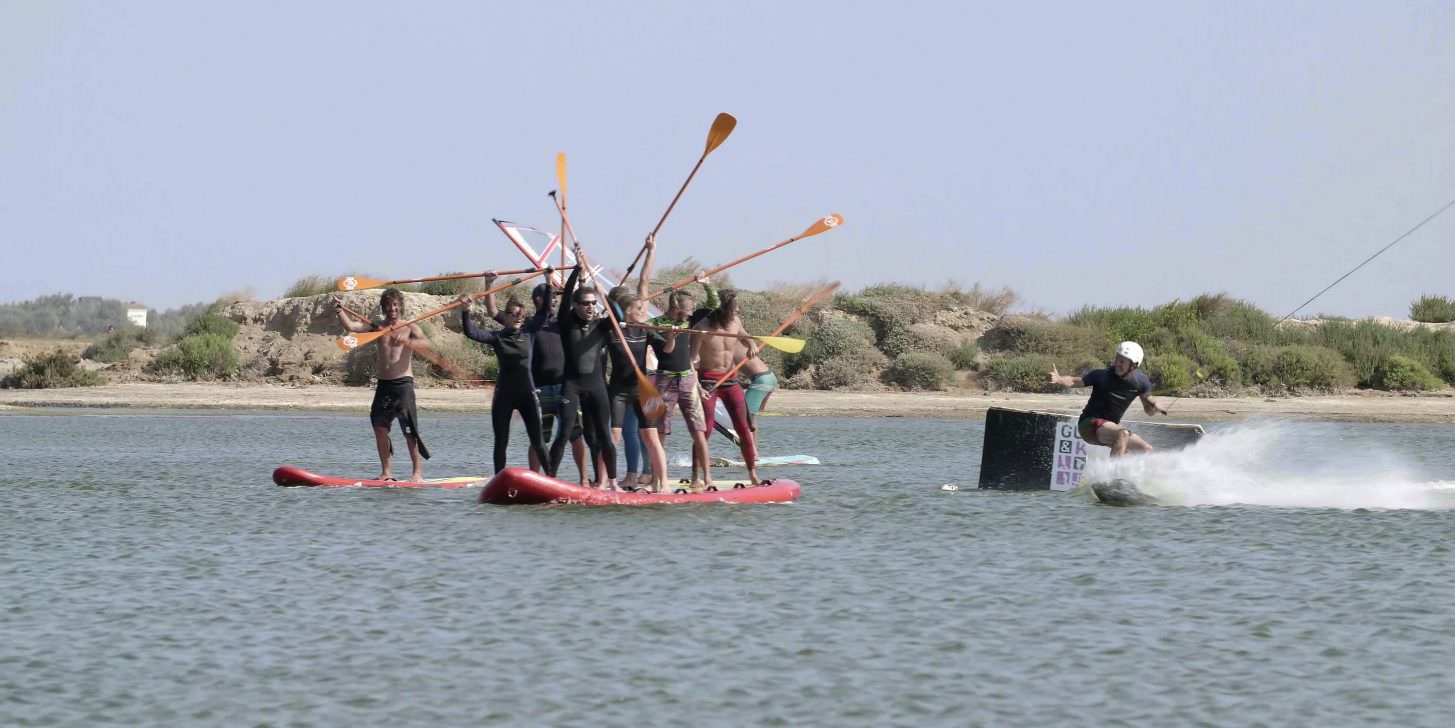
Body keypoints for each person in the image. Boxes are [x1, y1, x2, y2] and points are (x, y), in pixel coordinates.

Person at [333, 288, 430, 482]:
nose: (392, 309)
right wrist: (339, 310)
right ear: (384, 308)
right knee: (379, 427)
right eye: (388, 306)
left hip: (403, 384)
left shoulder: (410, 327)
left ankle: (417, 474)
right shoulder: (377, 327)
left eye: (395, 305)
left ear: (400, 306)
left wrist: (409, 342)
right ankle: (387, 473)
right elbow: (352, 326)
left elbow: (427, 345)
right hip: (384, 385)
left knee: (409, 432)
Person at [641, 251, 720, 488]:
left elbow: (714, 305)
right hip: (664, 381)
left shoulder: (691, 321)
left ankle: (707, 479)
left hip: (687, 380)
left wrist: (706, 285)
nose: (692, 309)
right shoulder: (655, 325)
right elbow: (663, 352)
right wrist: (671, 337)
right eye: (689, 307)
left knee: (698, 428)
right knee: (661, 430)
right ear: (677, 309)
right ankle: (657, 479)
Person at [459, 273, 550, 474]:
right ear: (506, 316)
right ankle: (499, 479)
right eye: (514, 314)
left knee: (538, 441)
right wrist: (465, 311)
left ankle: (552, 478)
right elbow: (472, 333)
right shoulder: (497, 337)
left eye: (521, 315)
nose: (519, 318)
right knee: (501, 441)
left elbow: (543, 314)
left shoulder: (529, 332)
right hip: (504, 395)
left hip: (527, 394)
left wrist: (548, 280)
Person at [550, 255, 619, 488]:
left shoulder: (601, 326)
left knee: (601, 437)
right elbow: (566, 297)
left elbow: (618, 315)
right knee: (564, 433)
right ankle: (550, 480)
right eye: (586, 303)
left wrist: (603, 293)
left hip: (597, 387)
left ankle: (611, 482)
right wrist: (575, 271)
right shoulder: (567, 322)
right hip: (572, 385)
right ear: (576, 307)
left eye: (593, 303)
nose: (591, 307)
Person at [1048, 341, 1168, 457]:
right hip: (1088, 424)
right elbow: (1075, 381)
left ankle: (1130, 475)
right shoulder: (1102, 375)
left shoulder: (1141, 382)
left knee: (1146, 449)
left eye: (1122, 361)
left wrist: (1155, 406)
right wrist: (1059, 379)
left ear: (1133, 365)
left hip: (1110, 429)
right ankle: (1111, 476)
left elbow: (1148, 409)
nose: (1117, 364)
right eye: (1117, 359)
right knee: (1123, 434)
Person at [527, 278, 591, 483]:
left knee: (575, 435)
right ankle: (536, 480)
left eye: (556, 298)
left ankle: (584, 480)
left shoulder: (563, 322)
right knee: (539, 439)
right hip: (540, 389)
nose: (554, 301)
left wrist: (581, 282)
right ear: (538, 299)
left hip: (566, 388)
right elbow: (498, 314)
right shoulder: (530, 324)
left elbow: (580, 307)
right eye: (551, 297)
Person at [695, 289, 761, 485]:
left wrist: (751, 344)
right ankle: (698, 476)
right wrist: (698, 387)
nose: (738, 309)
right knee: (704, 430)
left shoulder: (736, 322)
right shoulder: (702, 328)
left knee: (744, 428)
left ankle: (752, 474)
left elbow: (744, 334)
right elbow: (690, 360)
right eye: (735, 307)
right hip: (708, 382)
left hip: (731, 380)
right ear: (723, 309)